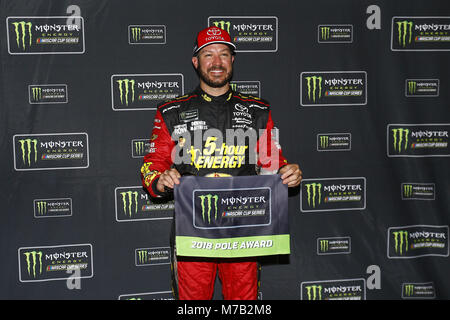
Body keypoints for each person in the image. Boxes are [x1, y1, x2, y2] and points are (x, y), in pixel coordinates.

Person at [140, 26, 302, 300]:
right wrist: (160, 179)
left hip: (243, 230)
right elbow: (151, 165)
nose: (217, 63)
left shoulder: (257, 111)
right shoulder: (171, 112)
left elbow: (273, 163)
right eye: (208, 55)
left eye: (224, 54)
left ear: (233, 60)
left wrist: (289, 173)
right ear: (196, 62)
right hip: (193, 231)